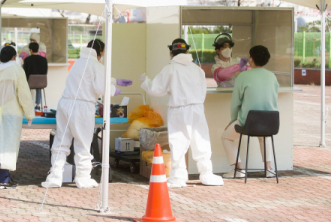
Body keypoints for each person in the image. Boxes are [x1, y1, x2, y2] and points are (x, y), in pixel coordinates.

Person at [42, 39, 133, 189]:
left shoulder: (78, 62)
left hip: (65, 103)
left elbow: (88, 78)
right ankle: (83, 177)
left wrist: (114, 81)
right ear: (100, 51)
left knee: (61, 141)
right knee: (83, 143)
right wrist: (112, 89)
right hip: (82, 106)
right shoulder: (97, 65)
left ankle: (55, 176)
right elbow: (100, 86)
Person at [140, 38, 223, 188]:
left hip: (179, 109)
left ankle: (178, 176)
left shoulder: (170, 69)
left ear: (171, 52)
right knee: (201, 140)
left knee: (178, 142)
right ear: (186, 51)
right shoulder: (197, 69)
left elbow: (156, 90)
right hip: (197, 108)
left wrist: (145, 81)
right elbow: (203, 90)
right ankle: (206, 174)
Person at [0, 46, 35, 189]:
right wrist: (29, 113)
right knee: (9, 145)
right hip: (13, 113)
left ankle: (4, 175)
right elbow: (24, 94)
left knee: (0, 143)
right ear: (14, 57)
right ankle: (3, 178)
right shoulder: (16, 70)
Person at [221, 45, 279, 178]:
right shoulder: (272, 76)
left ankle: (239, 169)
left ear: (251, 59)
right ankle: (269, 169)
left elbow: (236, 103)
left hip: (248, 123)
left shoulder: (243, 76)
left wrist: (232, 121)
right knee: (264, 137)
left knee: (225, 137)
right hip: (270, 122)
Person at [23, 42, 48, 111]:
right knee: (39, 87)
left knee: (26, 86)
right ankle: (37, 106)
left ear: (31, 50)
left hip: (30, 82)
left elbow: (25, 72)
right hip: (41, 82)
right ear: (38, 50)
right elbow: (45, 72)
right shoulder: (44, 60)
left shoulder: (27, 60)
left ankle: (28, 104)